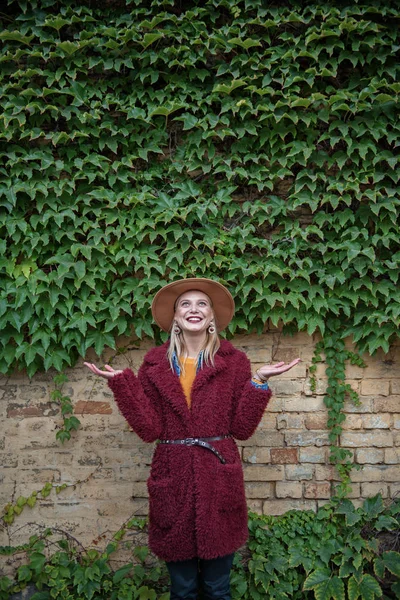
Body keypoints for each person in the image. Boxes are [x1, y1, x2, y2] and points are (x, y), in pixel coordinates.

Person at [85, 278, 300, 600]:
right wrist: (123, 385)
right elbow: (149, 430)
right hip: (173, 476)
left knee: (217, 588)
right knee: (182, 589)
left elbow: (242, 428)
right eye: (185, 304)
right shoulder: (155, 363)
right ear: (174, 317)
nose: (194, 309)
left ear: (212, 317)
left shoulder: (234, 362)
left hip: (218, 476)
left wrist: (259, 381)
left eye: (202, 304)